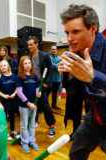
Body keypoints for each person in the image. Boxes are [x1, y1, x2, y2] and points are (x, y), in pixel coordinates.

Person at [58, 4, 106, 160]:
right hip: (94, 117)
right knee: (75, 154)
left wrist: (94, 77)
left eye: (76, 32)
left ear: (93, 28)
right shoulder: (74, 55)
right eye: (67, 32)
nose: (69, 38)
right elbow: (73, 91)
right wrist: (67, 75)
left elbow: (93, 79)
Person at [27, 36, 56, 138]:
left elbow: (51, 69)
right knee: (34, 103)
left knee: (44, 104)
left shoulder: (45, 56)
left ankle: (52, 125)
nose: (29, 46)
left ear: (36, 44)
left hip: (42, 83)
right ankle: (35, 121)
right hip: (32, 82)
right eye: (28, 45)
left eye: (31, 44)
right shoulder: (28, 56)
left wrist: (47, 82)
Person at [16, 56, 41, 153]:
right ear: (22, 65)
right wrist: (28, 103)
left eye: (29, 63)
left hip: (34, 103)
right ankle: (25, 142)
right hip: (24, 105)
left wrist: (38, 93)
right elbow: (19, 92)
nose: (28, 65)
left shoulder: (34, 76)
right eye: (25, 63)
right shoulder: (19, 77)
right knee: (24, 124)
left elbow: (36, 88)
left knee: (32, 124)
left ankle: (32, 140)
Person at [0, 60, 19, 141]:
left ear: (8, 66)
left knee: (12, 116)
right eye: (1, 66)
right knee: (4, 116)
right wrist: (3, 95)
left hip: (12, 99)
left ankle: (13, 131)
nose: (3, 67)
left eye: (5, 65)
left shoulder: (13, 76)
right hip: (3, 100)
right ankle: (5, 132)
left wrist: (14, 94)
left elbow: (17, 87)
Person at [47, 45, 61, 110]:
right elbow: (52, 66)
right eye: (53, 49)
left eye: (55, 49)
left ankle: (54, 105)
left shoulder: (59, 57)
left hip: (57, 79)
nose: (54, 50)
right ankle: (45, 106)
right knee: (47, 94)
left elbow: (61, 65)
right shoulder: (49, 57)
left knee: (55, 93)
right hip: (50, 79)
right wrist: (58, 65)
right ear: (51, 50)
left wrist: (56, 66)